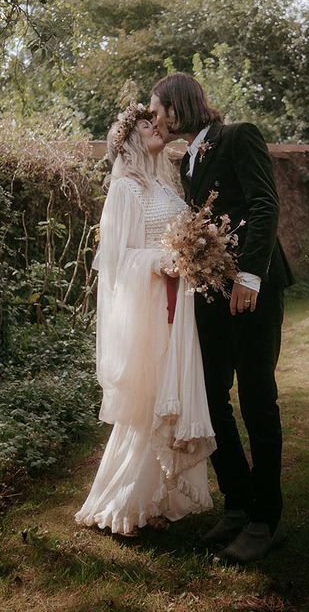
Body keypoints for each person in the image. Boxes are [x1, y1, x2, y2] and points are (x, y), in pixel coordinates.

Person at [150, 74, 294, 563]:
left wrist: (250, 275)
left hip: (255, 289)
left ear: (177, 106)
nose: (154, 119)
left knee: (257, 400)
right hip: (212, 295)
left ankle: (266, 520)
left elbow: (264, 204)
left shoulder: (239, 137)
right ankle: (238, 502)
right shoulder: (186, 162)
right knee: (210, 398)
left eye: (157, 110)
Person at [75, 103, 216, 536]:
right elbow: (116, 262)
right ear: (128, 139)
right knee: (151, 398)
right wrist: (159, 261)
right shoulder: (126, 189)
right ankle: (127, 498)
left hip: (180, 305)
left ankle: (163, 497)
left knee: (172, 393)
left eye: (154, 119)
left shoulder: (168, 185)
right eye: (144, 122)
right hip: (151, 306)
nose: (155, 125)